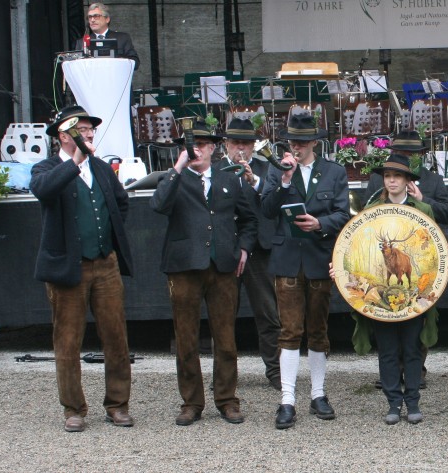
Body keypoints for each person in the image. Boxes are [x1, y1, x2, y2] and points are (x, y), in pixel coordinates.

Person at [30, 106, 135, 433]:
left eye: (91, 130)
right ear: (63, 136)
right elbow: (42, 190)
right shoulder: (46, 167)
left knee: (116, 338)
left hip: (105, 264)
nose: (89, 135)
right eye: (81, 130)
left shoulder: (102, 169)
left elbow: (121, 203)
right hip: (68, 268)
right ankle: (73, 409)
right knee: (68, 341)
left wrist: (109, 237)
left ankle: (117, 405)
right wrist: (75, 162)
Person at [150, 118, 257, 426]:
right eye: (191, 145)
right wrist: (178, 167)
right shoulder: (176, 178)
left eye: (201, 145)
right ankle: (191, 401)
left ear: (212, 148)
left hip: (222, 266)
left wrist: (244, 249)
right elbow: (158, 205)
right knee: (186, 338)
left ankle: (227, 399)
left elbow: (250, 220)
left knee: (226, 337)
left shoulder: (228, 178)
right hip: (184, 267)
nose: (196, 150)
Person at [343, 153, 448, 425]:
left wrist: (445, 259)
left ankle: (413, 400)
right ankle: (393, 402)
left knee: (412, 348)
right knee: (388, 350)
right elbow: (356, 245)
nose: (392, 181)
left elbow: (434, 247)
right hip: (382, 296)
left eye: (397, 176)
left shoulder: (423, 210)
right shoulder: (371, 212)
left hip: (416, 294)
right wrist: (342, 270)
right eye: (388, 176)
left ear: (407, 181)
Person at [261, 112, 350, 429]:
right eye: (292, 142)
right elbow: (267, 209)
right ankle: (286, 399)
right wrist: (285, 180)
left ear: (314, 142)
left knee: (318, 330)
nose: (296, 147)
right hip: (287, 259)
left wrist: (320, 224)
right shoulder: (278, 170)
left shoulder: (333, 172)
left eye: (301, 142)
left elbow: (343, 214)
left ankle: (318, 394)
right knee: (289, 330)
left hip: (317, 257)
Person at [364, 131, 448, 390]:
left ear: (421, 155)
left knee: (418, 311)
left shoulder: (433, 180)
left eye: (412, 153)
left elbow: (447, 214)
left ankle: (416, 369)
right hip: (386, 257)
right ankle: (390, 370)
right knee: (385, 310)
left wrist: (423, 199)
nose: (408, 156)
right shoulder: (377, 180)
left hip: (420, 255)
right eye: (403, 151)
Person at [219, 117, 282, 390]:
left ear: (254, 146)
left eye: (246, 143)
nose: (241, 149)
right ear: (226, 145)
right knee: (222, 316)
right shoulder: (214, 169)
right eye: (236, 143)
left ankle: (277, 371)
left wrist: (253, 180)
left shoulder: (266, 170)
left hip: (260, 250)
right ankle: (224, 376)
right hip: (226, 250)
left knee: (269, 314)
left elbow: (273, 204)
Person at [77, 2, 139, 70]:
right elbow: (77, 66)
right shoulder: (82, 42)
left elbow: (135, 63)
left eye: (96, 16)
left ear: (107, 19)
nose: (92, 20)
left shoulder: (122, 38)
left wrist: (120, 61)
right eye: (90, 17)